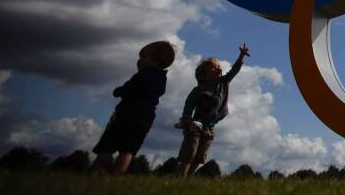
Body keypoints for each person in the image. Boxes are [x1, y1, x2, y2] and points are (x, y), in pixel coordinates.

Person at [92, 41, 176, 175]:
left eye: (143, 57)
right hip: (145, 117)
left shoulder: (143, 75)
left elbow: (130, 89)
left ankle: (99, 172)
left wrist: (119, 91)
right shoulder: (162, 78)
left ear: (156, 60)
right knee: (128, 150)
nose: (139, 60)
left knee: (108, 146)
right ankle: (116, 175)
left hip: (126, 114)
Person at [176, 43, 249, 178]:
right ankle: (181, 176)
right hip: (195, 125)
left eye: (218, 66)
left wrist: (241, 57)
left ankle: (188, 178)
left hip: (210, 127)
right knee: (189, 152)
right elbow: (189, 103)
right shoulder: (199, 89)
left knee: (200, 156)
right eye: (213, 67)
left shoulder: (223, 83)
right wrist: (186, 117)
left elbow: (234, 71)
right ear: (203, 74)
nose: (218, 67)